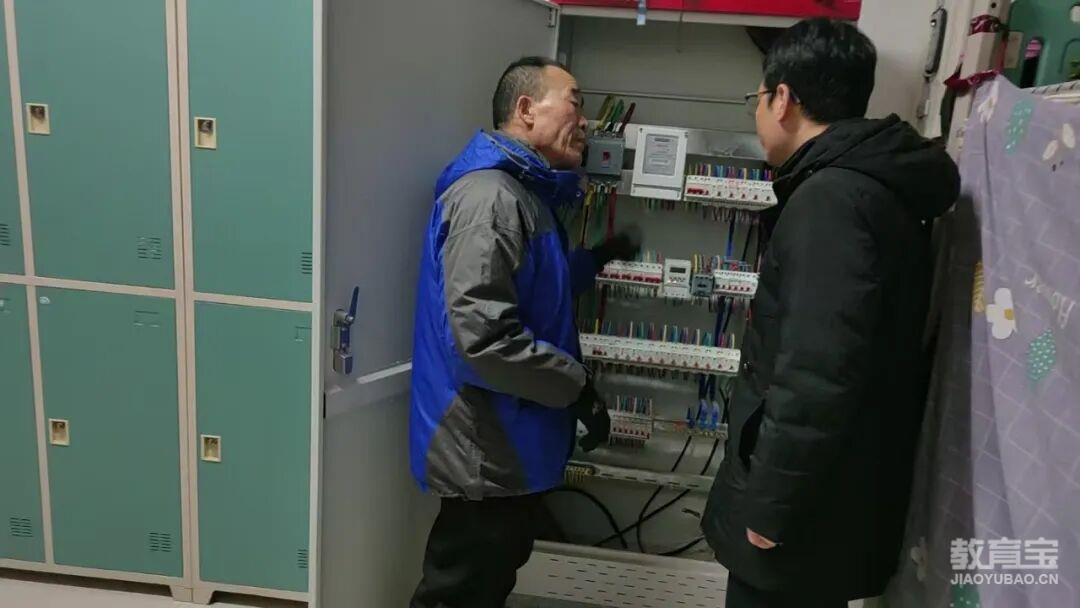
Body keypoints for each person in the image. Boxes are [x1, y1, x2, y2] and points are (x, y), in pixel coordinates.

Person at [701, 18, 960, 608]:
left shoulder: (831, 200)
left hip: (799, 524)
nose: (758, 113)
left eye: (757, 99)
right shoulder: (869, 187)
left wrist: (771, 507)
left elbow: (818, 369)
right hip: (833, 503)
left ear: (783, 99)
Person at [409, 57, 639, 608]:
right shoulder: (491, 198)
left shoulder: (522, 196)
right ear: (526, 109)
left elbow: (536, 288)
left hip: (504, 443)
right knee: (458, 593)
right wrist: (575, 387)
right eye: (575, 103)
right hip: (485, 448)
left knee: (483, 587)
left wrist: (595, 260)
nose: (584, 122)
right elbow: (482, 340)